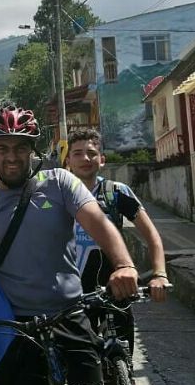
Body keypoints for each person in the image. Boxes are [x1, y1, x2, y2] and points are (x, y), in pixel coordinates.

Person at [0, 105, 140, 385]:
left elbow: (100, 224)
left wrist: (124, 265)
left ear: (33, 149)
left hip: (69, 313)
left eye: (20, 147)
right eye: (2, 148)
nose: (12, 156)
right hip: (13, 328)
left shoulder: (60, 182)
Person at [66, 129, 170, 352]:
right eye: (77, 153)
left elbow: (151, 235)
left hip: (118, 289)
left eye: (92, 153)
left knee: (121, 357)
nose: (85, 158)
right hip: (72, 294)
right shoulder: (58, 195)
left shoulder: (116, 192)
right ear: (68, 161)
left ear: (102, 160)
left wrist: (159, 274)